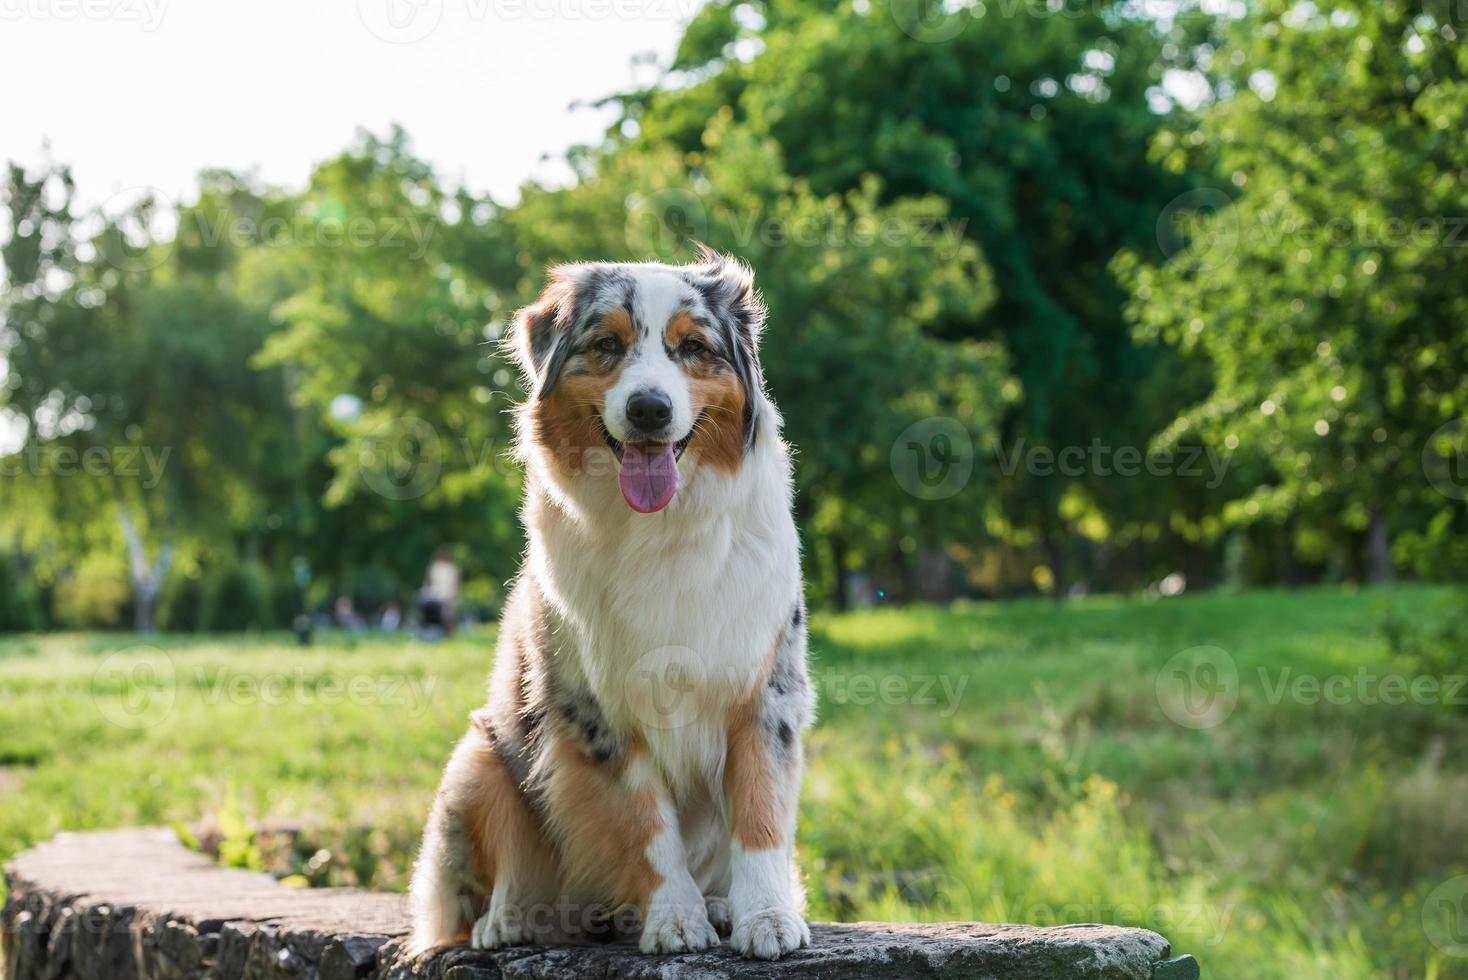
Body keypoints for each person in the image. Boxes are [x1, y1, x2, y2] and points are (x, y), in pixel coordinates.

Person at [420, 548, 460, 638]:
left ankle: (449, 634)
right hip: (436, 594)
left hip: (447, 595)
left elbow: (455, 583)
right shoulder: (435, 567)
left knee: (448, 614)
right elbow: (428, 581)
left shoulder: (451, 568)